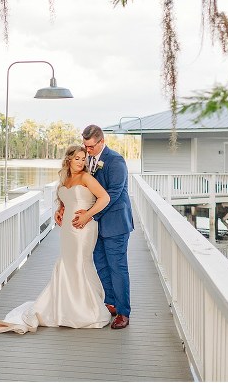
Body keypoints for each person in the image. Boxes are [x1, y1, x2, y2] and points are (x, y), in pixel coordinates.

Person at [0, 145, 111, 334]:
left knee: (79, 263)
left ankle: (84, 309)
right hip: (67, 229)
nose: (81, 162)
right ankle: (64, 307)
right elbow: (65, 199)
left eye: (83, 158)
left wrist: (87, 215)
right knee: (68, 263)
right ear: (68, 159)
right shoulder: (65, 178)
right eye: (77, 158)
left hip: (83, 227)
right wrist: (60, 210)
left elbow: (105, 198)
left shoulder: (87, 177)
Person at [81, 124, 134, 329]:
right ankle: (110, 301)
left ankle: (123, 312)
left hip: (115, 223)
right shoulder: (89, 159)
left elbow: (113, 194)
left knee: (117, 267)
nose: (88, 150)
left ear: (101, 142)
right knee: (101, 263)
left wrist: (91, 214)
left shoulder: (116, 161)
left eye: (91, 147)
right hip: (96, 224)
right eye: (85, 146)